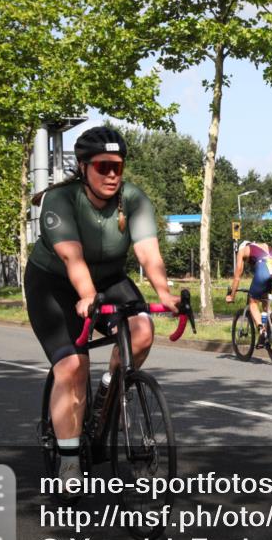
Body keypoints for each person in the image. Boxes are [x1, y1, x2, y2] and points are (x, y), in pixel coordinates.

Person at [25, 126, 179, 487]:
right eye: (102, 166)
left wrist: (164, 293)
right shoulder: (60, 200)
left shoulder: (133, 199)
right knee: (73, 365)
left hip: (109, 280)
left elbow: (147, 251)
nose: (112, 174)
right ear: (83, 167)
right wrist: (87, 294)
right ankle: (67, 461)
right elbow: (71, 256)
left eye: (118, 167)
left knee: (141, 332)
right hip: (56, 284)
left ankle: (107, 394)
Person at [225, 240, 272, 347]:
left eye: (246, 260)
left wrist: (232, 296)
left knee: (253, 302)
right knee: (265, 299)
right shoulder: (264, 245)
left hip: (264, 268)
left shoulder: (242, 250)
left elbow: (237, 277)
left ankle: (262, 330)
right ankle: (269, 331)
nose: (247, 261)